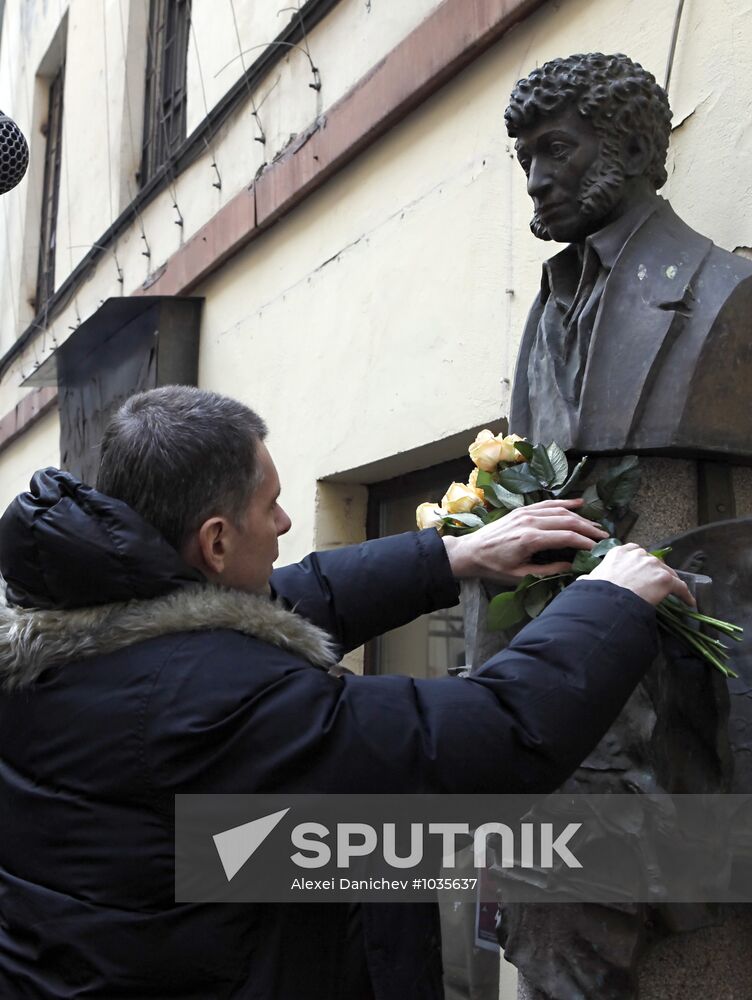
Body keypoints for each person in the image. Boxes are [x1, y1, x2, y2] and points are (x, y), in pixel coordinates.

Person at [0, 386, 690, 999]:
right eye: (269, 507)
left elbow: (273, 601)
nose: (284, 526)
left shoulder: (77, 622)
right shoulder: (211, 701)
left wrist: (447, 554)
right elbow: (491, 735)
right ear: (214, 542)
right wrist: (609, 603)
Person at [506, 52, 752, 466]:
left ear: (634, 152)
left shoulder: (740, 292)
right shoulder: (546, 306)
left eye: (557, 150)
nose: (535, 182)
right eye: (525, 161)